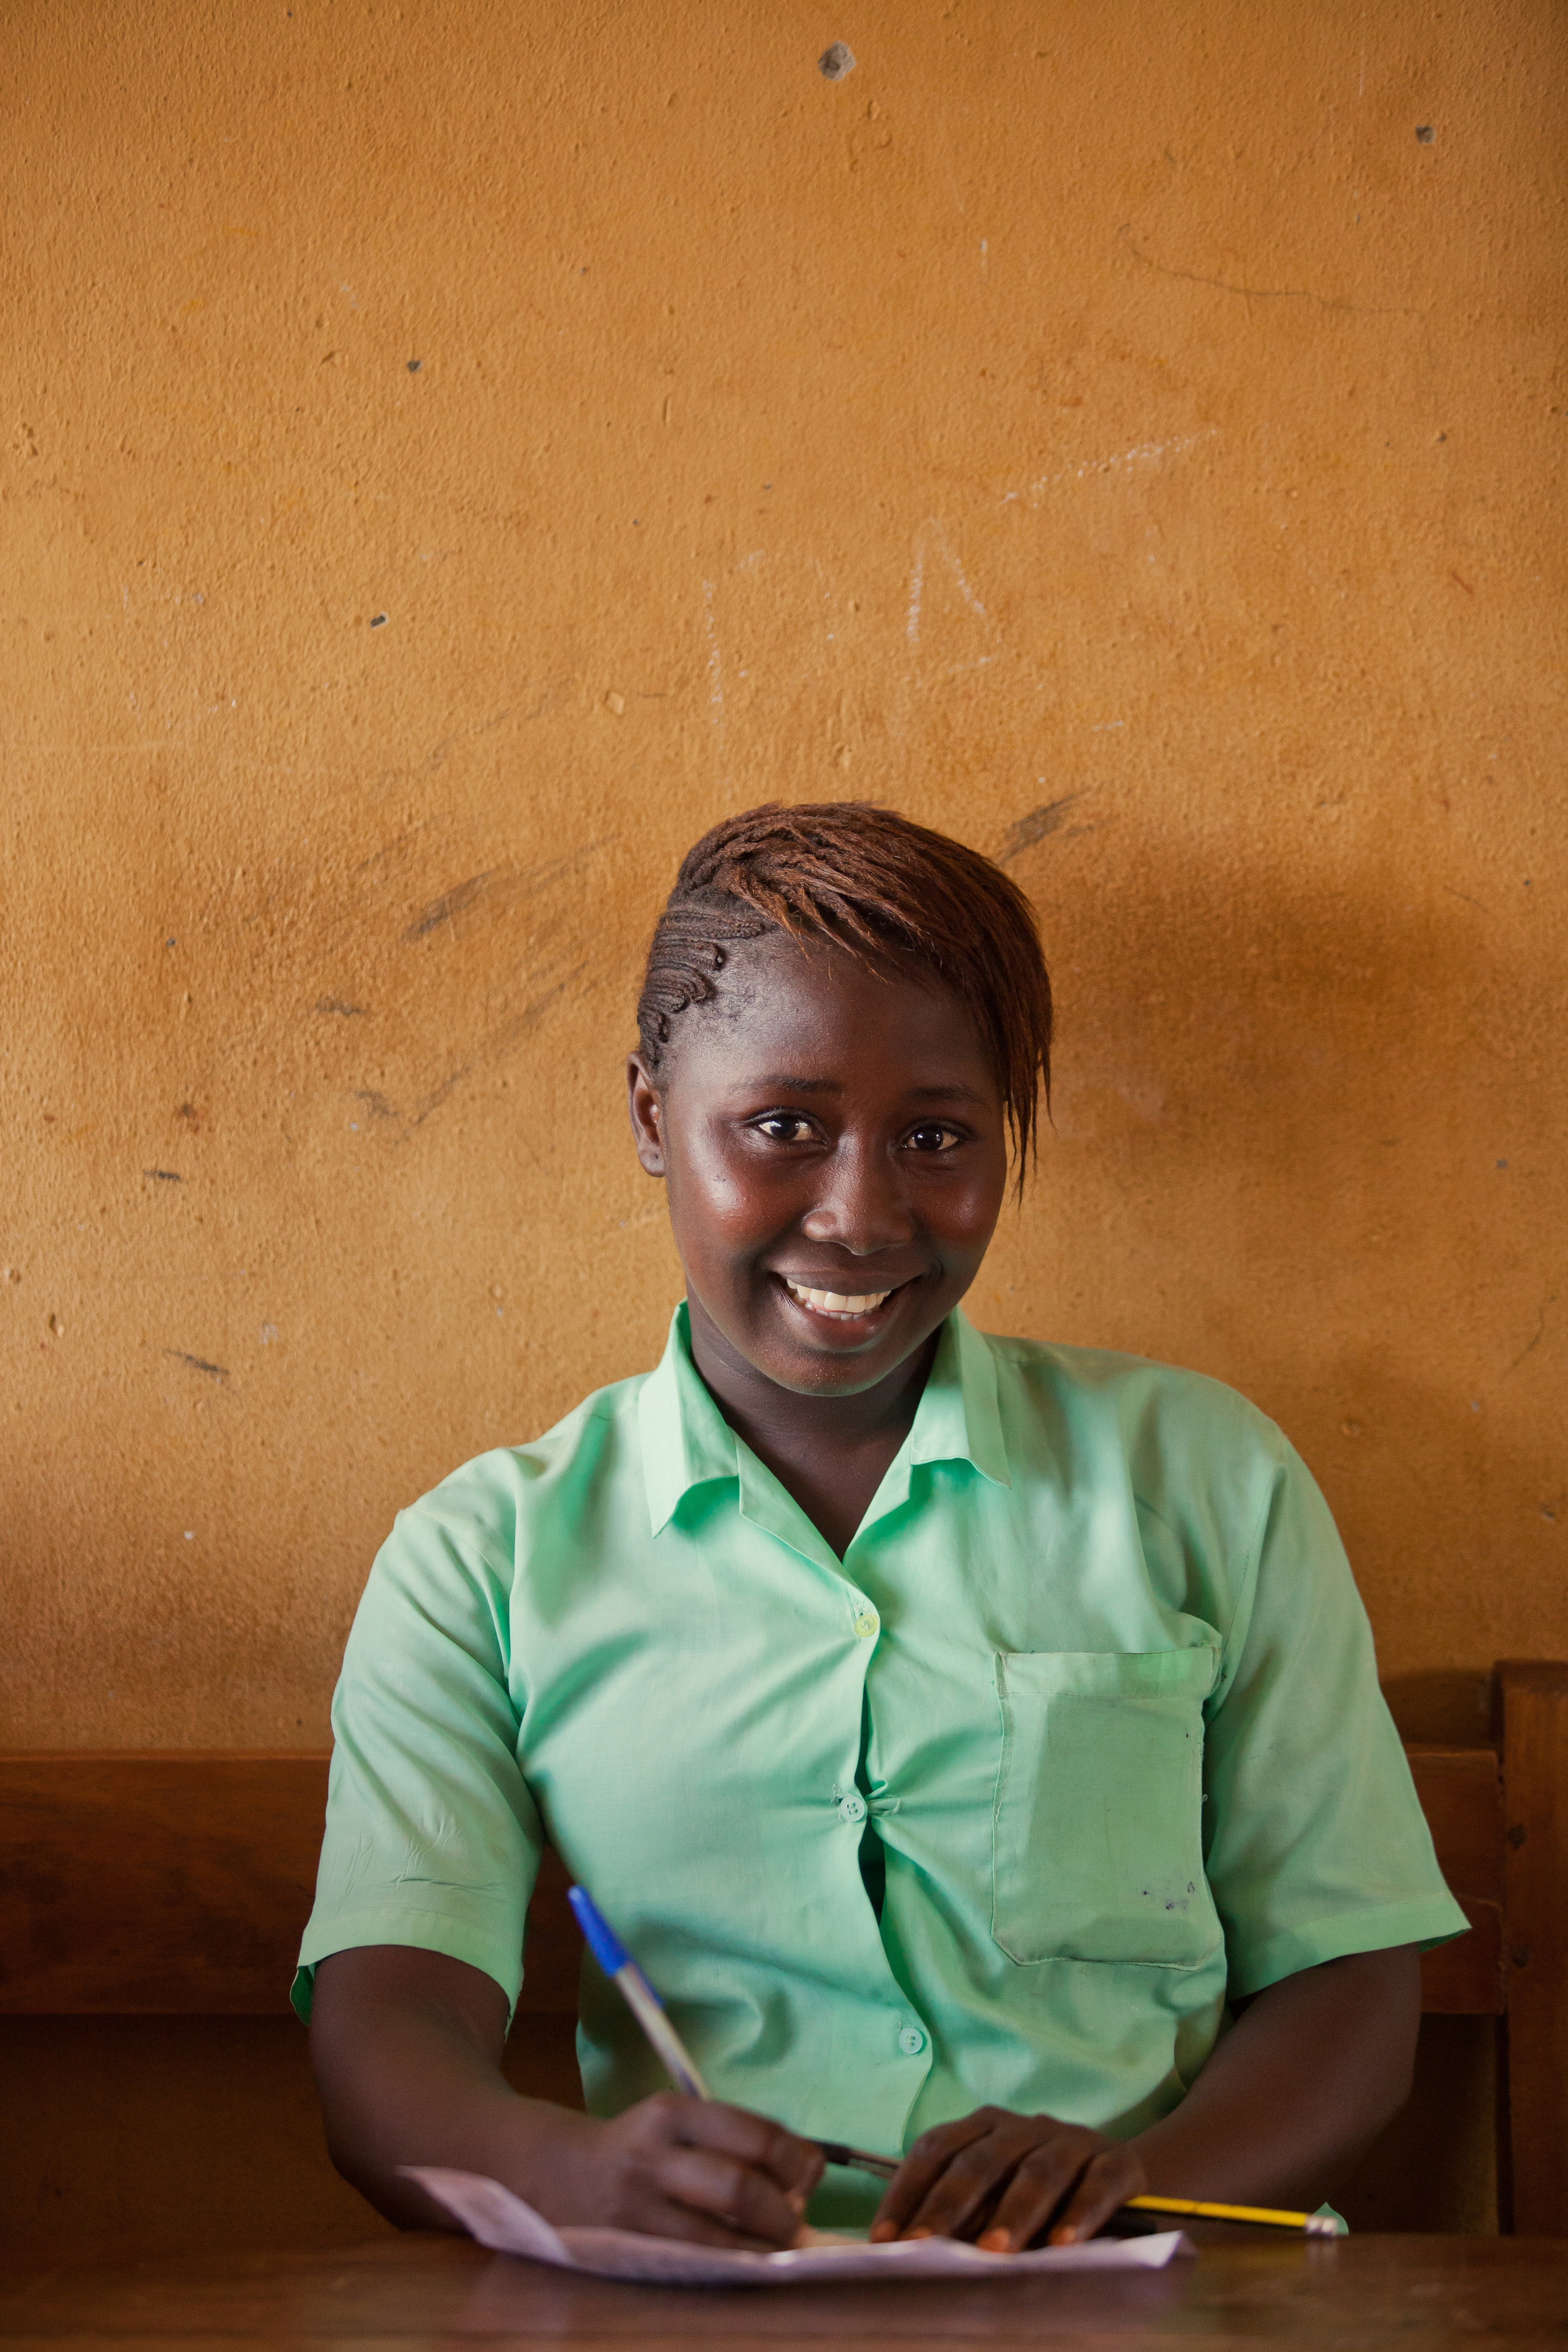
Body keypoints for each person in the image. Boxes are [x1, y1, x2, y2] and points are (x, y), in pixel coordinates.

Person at [298, 802, 1465, 2252]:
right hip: (704, 2317)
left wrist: (1138, 2187)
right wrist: (564, 2176)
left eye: (935, 1136)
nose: (859, 1216)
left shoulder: (1201, 1479)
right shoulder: (484, 1557)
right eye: (782, 1127)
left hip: (1158, 2298)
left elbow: (1347, 1991)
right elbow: (389, 2025)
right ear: (653, 1119)